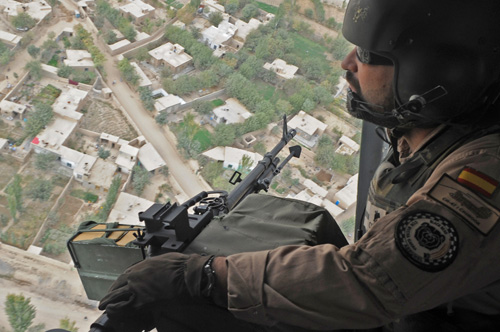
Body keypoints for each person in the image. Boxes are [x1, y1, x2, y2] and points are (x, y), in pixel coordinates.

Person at [98, 0, 500, 331]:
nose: (347, 64)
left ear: (431, 72)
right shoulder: (434, 127)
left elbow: (371, 281)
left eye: (365, 54)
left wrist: (199, 276)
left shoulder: (485, 170)